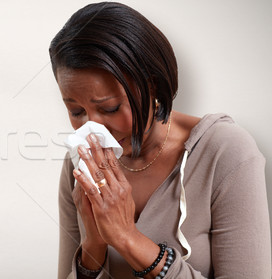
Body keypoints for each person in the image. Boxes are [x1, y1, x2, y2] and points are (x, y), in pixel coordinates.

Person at [50, 2, 271, 279]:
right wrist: (93, 246)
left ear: (152, 84)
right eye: (76, 111)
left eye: (110, 108)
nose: (92, 128)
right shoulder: (82, 165)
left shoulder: (226, 152)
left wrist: (128, 239)